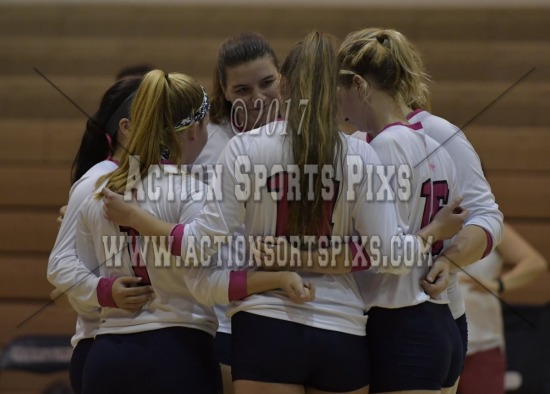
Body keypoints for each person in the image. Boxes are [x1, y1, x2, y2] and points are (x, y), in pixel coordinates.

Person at [103, 31, 465, 394]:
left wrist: (137, 218)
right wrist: (434, 231)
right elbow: (391, 256)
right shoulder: (359, 153)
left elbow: (199, 245)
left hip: (265, 324)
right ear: (334, 90)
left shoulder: (244, 147)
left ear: (284, 83)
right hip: (342, 330)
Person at [77, 70, 311, 394]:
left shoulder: (98, 190)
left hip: (106, 357)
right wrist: (278, 277)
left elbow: (64, 271)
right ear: (197, 129)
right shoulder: (192, 192)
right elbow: (205, 283)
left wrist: (105, 290)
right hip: (176, 352)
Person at [47, 76, 152, 394]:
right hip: (101, 342)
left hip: (154, 340)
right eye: (156, 115)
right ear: (127, 127)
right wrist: (105, 291)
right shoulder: (95, 183)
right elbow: (60, 271)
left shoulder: (161, 177)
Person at [457, 223, 547, 394]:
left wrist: (498, 284)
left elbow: (535, 263)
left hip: (482, 341)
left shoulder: (489, 222)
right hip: (431, 339)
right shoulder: (422, 219)